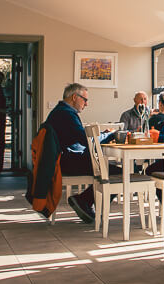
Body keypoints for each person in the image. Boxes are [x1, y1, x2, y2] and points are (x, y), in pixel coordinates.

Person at [45, 83, 116, 223]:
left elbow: (81, 136)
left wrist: (102, 135)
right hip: (68, 162)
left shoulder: (61, 111)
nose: (86, 104)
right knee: (116, 174)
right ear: (74, 97)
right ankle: (84, 200)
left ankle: (86, 201)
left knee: (109, 170)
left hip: (63, 159)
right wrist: (111, 135)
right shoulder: (66, 114)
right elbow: (87, 140)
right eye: (85, 100)